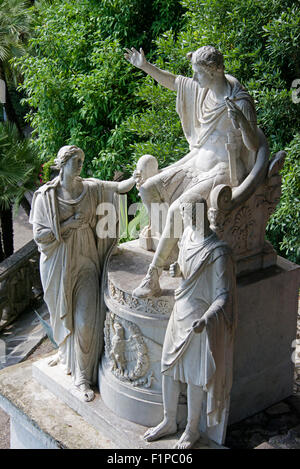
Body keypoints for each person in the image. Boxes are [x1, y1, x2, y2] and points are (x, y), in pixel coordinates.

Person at [125, 45, 258, 298]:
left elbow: (253, 145)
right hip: (195, 160)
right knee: (147, 190)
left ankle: (153, 276)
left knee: (179, 208)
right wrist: (145, 66)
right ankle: (175, 253)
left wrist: (241, 123)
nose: (194, 78)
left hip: (223, 169)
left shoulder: (239, 100)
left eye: (198, 73)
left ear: (215, 71)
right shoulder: (202, 90)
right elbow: (175, 82)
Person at [30, 145, 134, 401]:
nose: (79, 165)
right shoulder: (46, 197)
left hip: (87, 260)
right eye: (75, 161)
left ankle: (83, 378)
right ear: (62, 163)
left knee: (86, 322)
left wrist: (140, 175)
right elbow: (40, 237)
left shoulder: (90, 187)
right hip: (59, 265)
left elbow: (119, 188)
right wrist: (67, 225)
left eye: (81, 161)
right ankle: (67, 356)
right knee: (64, 317)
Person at [143, 195, 237, 448]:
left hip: (200, 322)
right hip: (180, 311)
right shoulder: (187, 236)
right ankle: (169, 420)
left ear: (196, 213)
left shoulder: (218, 252)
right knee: (168, 369)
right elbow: (186, 270)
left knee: (195, 377)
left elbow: (223, 295)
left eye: (185, 214)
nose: (182, 219)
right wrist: (176, 269)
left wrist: (207, 319)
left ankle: (192, 429)